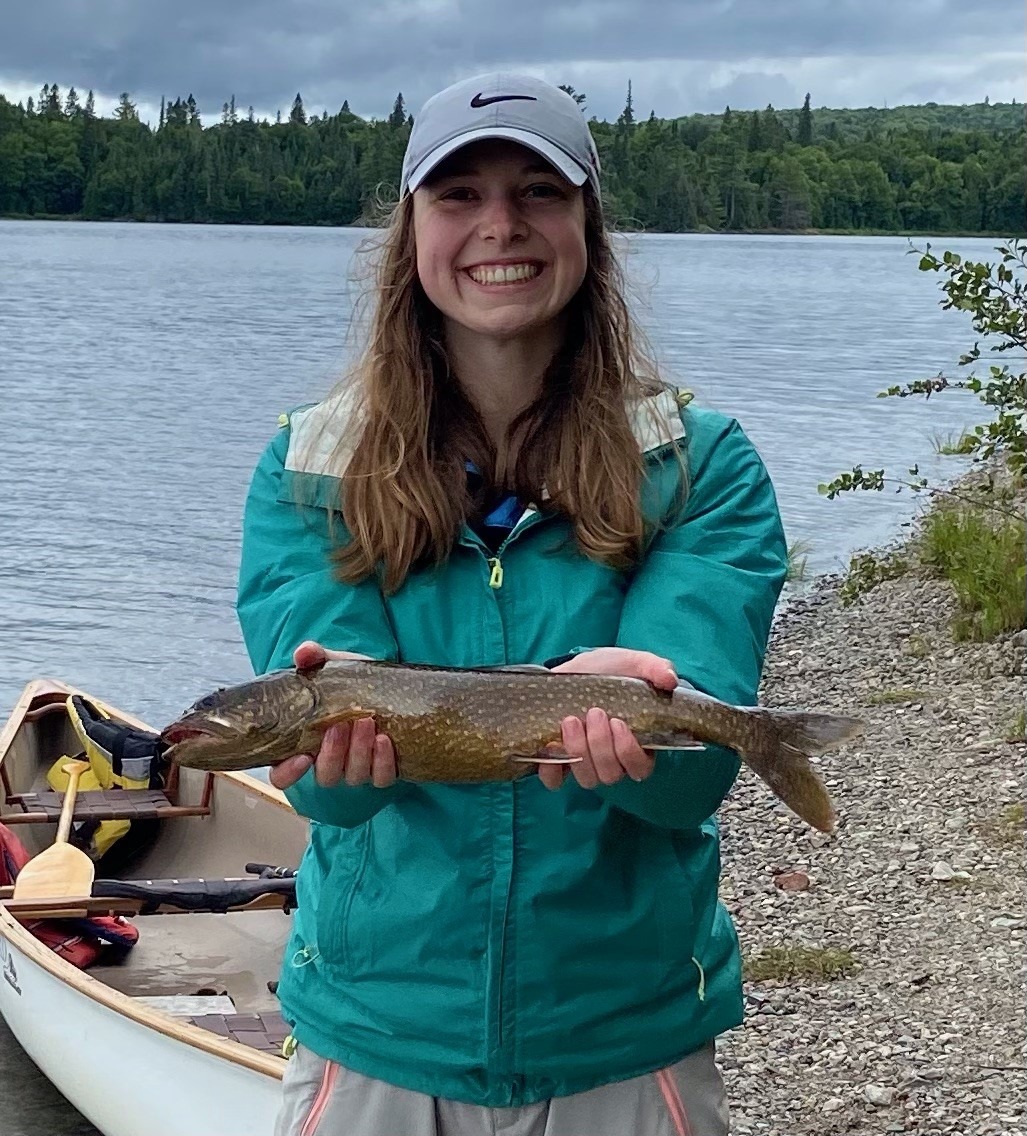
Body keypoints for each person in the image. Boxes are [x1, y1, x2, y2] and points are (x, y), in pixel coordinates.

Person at [237, 71, 788, 1136]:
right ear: (410, 231)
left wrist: (659, 727)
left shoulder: (698, 462)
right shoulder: (307, 468)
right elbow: (330, 794)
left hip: (624, 1034)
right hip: (378, 1030)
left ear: (588, 222)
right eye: (458, 195)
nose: (500, 225)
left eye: (538, 190)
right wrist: (335, 772)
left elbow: (693, 781)